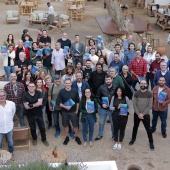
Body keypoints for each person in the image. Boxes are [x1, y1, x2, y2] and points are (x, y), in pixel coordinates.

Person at [129, 79, 154, 151]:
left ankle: (151, 142)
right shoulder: (136, 93)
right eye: (141, 83)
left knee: (148, 129)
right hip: (137, 114)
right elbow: (134, 104)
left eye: (144, 83)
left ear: (146, 85)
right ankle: (133, 139)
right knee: (135, 127)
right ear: (139, 84)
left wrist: (142, 114)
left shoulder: (149, 94)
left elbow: (149, 106)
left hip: (146, 115)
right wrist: (138, 114)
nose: (143, 84)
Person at [56, 78, 82, 145]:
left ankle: (77, 137)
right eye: (66, 83)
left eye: (69, 83)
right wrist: (65, 107)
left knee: (75, 125)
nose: (67, 84)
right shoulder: (61, 91)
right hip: (64, 112)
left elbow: (77, 101)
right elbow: (58, 102)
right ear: (64, 84)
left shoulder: (75, 91)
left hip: (73, 111)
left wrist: (76, 111)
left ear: (71, 83)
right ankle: (67, 137)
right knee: (65, 125)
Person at [23, 82, 49, 146]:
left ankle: (44, 139)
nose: (31, 88)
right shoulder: (25, 95)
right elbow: (26, 106)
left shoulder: (39, 93)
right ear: (28, 87)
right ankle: (34, 139)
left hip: (39, 114)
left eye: (32, 86)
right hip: (30, 115)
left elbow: (40, 103)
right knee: (32, 128)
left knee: (42, 127)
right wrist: (35, 104)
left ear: (35, 87)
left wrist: (31, 105)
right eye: (30, 86)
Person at [95, 74, 115, 140]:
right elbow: (97, 97)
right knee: (101, 122)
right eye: (107, 80)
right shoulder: (101, 87)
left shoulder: (116, 87)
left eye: (109, 79)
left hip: (112, 109)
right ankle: (100, 135)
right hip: (103, 108)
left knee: (113, 123)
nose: (108, 81)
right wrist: (101, 104)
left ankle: (114, 135)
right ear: (105, 81)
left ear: (111, 80)